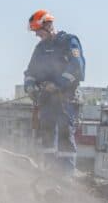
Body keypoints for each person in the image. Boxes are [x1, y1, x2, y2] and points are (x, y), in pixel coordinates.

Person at [23, 9, 86, 173]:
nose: (37, 35)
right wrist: (30, 86)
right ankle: (49, 172)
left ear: (48, 25)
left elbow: (77, 67)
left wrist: (58, 84)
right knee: (47, 135)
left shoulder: (69, 42)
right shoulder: (40, 48)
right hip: (47, 100)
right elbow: (30, 72)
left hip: (66, 99)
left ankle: (66, 175)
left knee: (65, 135)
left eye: (38, 31)